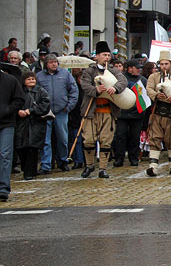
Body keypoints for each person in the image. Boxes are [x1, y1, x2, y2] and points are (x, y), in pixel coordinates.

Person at [79, 41, 127, 179]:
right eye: (104, 55)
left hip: (108, 111)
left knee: (106, 140)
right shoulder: (89, 71)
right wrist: (96, 90)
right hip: (91, 111)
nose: (107, 57)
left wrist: (116, 88)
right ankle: (89, 165)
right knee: (88, 139)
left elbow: (122, 81)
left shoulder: (113, 71)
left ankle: (103, 168)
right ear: (97, 56)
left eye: (108, 55)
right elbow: (85, 85)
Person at [36, 54, 79, 173]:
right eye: (51, 62)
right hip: (45, 112)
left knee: (63, 139)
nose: (54, 64)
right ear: (46, 64)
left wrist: (69, 106)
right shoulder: (39, 76)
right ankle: (46, 165)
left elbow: (74, 91)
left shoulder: (65, 74)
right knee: (45, 140)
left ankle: (63, 161)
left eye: (55, 62)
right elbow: (35, 93)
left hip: (62, 111)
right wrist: (40, 108)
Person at [145, 51, 171, 177]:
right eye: (162, 64)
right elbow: (149, 89)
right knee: (154, 138)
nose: (164, 66)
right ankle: (153, 166)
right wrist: (157, 95)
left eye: (166, 64)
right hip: (157, 112)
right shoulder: (154, 77)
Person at [15, 71, 50, 180]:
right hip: (21, 123)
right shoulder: (19, 91)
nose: (31, 81)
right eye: (29, 79)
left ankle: (30, 172)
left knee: (32, 148)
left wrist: (31, 111)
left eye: (33, 79)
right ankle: (27, 169)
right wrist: (19, 111)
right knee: (22, 148)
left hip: (36, 122)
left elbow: (45, 105)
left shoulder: (41, 91)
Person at [112, 59, 146, 167]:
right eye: (137, 68)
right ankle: (119, 158)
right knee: (120, 136)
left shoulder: (143, 80)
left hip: (137, 114)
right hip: (123, 113)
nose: (139, 70)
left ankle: (134, 158)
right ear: (130, 68)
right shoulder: (121, 79)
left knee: (134, 137)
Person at [0, 68, 24, 201]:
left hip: (6, 123)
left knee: (5, 154)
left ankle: (3, 188)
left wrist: (7, 110)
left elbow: (19, 99)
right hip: (6, 120)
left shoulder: (10, 80)